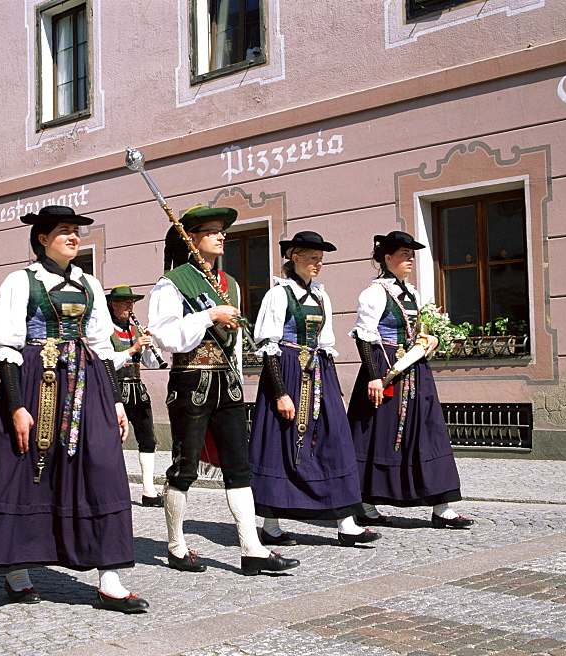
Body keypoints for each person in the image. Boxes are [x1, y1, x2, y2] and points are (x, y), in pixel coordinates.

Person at [0, 205, 149, 614]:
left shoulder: (90, 283)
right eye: (64, 231)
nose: (74, 237)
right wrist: (17, 406)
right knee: (26, 469)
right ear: (42, 238)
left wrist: (116, 401)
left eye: (76, 231)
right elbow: (6, 347)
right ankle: (15, 567)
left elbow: (103, 349)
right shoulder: (21, 282)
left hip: (86, 382)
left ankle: (109, 576)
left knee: (102, 468)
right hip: (35, 379)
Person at [147, 205, 299, 576]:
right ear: (191, 239)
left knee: (238, 468)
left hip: (227, 383)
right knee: (183, 468)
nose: (221, 236)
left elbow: (233, 340)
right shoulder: (173, 282)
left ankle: (252, 550)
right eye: (212, 231)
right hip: (191, 381)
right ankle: (176, 545)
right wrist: (209, 315)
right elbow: (166, 335)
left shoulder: (228, 282)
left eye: (222, 231)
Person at [248, 231, 379, 547]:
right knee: (282, 445)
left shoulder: (322, 296)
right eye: (312, 258)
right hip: (288, 371)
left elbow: (326, 342)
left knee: (335, 442)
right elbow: (267, 345)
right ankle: (271, 525)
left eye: (320, 259)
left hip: (320, 373)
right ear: (295, 259)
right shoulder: (278, 295)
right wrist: (280, 392)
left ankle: (347, 523)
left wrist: (332, 388)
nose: (318, 264)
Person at [347, 231, 473, 529]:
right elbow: (364, 337)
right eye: (404, 253)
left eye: (412, 254)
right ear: (387, 258)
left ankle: (441, 506)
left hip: (416, 371)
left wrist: (429, 339)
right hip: (385, 368)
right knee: (376, 435)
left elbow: (417, 330)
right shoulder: (375, 293)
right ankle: (365, 503)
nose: (410, 259)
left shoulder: (413, 293)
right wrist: (376, 377)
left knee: (429, 432)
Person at [106, 284, 165, 507]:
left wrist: (150, 346)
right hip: (114, 389)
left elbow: (150, 364)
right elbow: (108, 362)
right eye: (125, 302)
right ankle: (111, 488)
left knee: (148, 439)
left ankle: (149, 491)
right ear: (113, 304)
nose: (129, 307)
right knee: (112, 441)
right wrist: (132, 349)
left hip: (137, 390)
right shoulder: (105, 330)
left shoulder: (134, 330)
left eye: (131, 303)